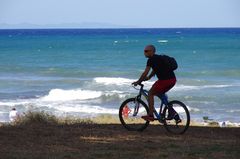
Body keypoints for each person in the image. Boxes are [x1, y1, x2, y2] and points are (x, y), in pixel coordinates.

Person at [132, 45, 178, 122]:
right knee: (159, 93)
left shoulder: (151, 60)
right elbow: (155, 69)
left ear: (152, 51)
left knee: (150, 93)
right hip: (172, 80)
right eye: (144, 51)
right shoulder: (159, 58)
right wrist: (149, 77)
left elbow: (145, 73)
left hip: (164, 81)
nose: (144, 52)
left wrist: (138, 81)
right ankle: (171, 111)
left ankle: (150, 115)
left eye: (146, 51)